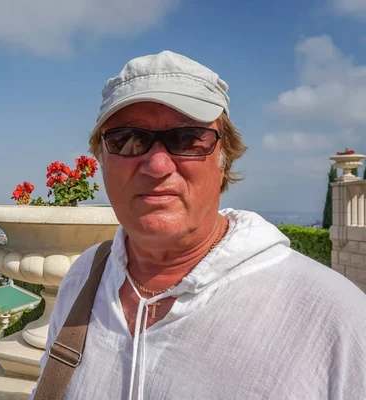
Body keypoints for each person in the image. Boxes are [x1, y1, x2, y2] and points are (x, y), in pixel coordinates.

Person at [32, 50, 366, 399]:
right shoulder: (84, 278)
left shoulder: (331, 317)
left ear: (224, 159)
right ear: (102, 161)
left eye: (188, 139)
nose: (157, 165)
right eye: (127, 140)